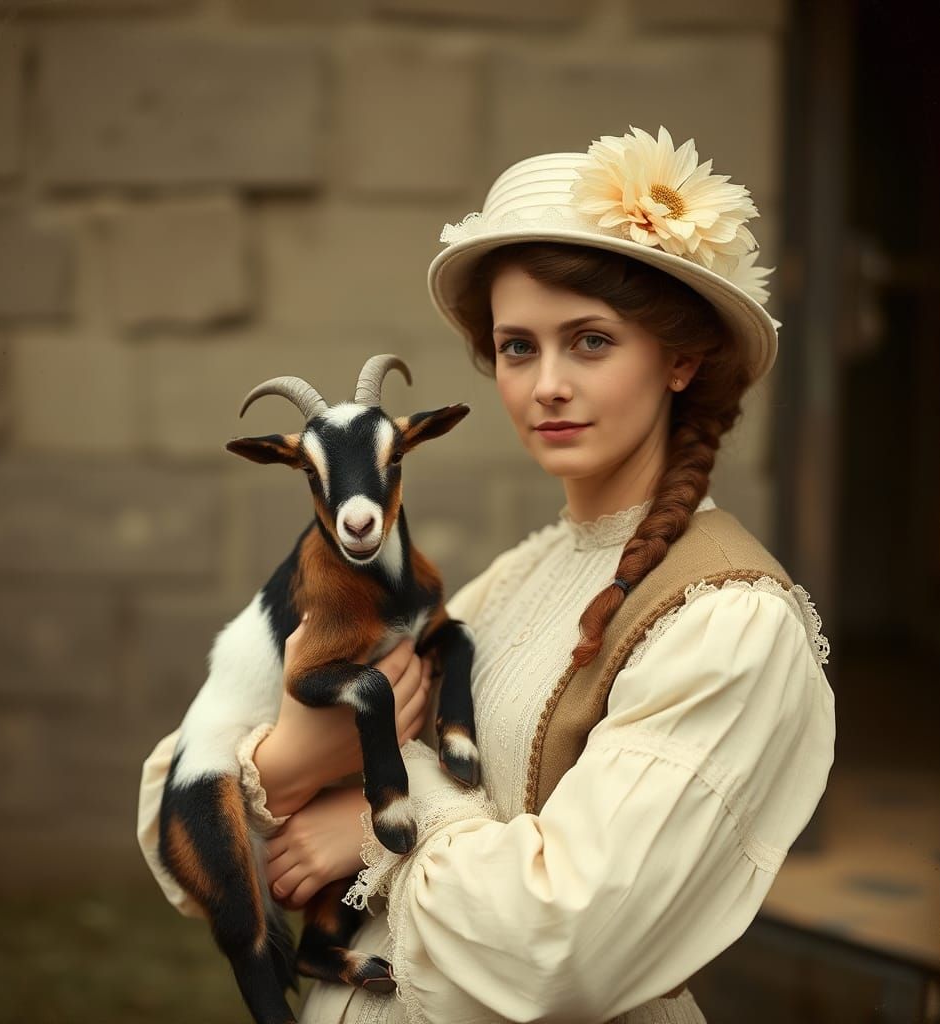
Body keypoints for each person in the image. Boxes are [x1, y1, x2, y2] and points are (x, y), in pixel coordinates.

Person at [137, 125, 836, 1024]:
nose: (545, 384)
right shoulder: (512, 580)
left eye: (589, 341)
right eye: (517, 347)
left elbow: (565, 947)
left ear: (680, 360)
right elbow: (178, 832)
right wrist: (286, 760)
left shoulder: (730, 622)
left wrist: (379, 814)